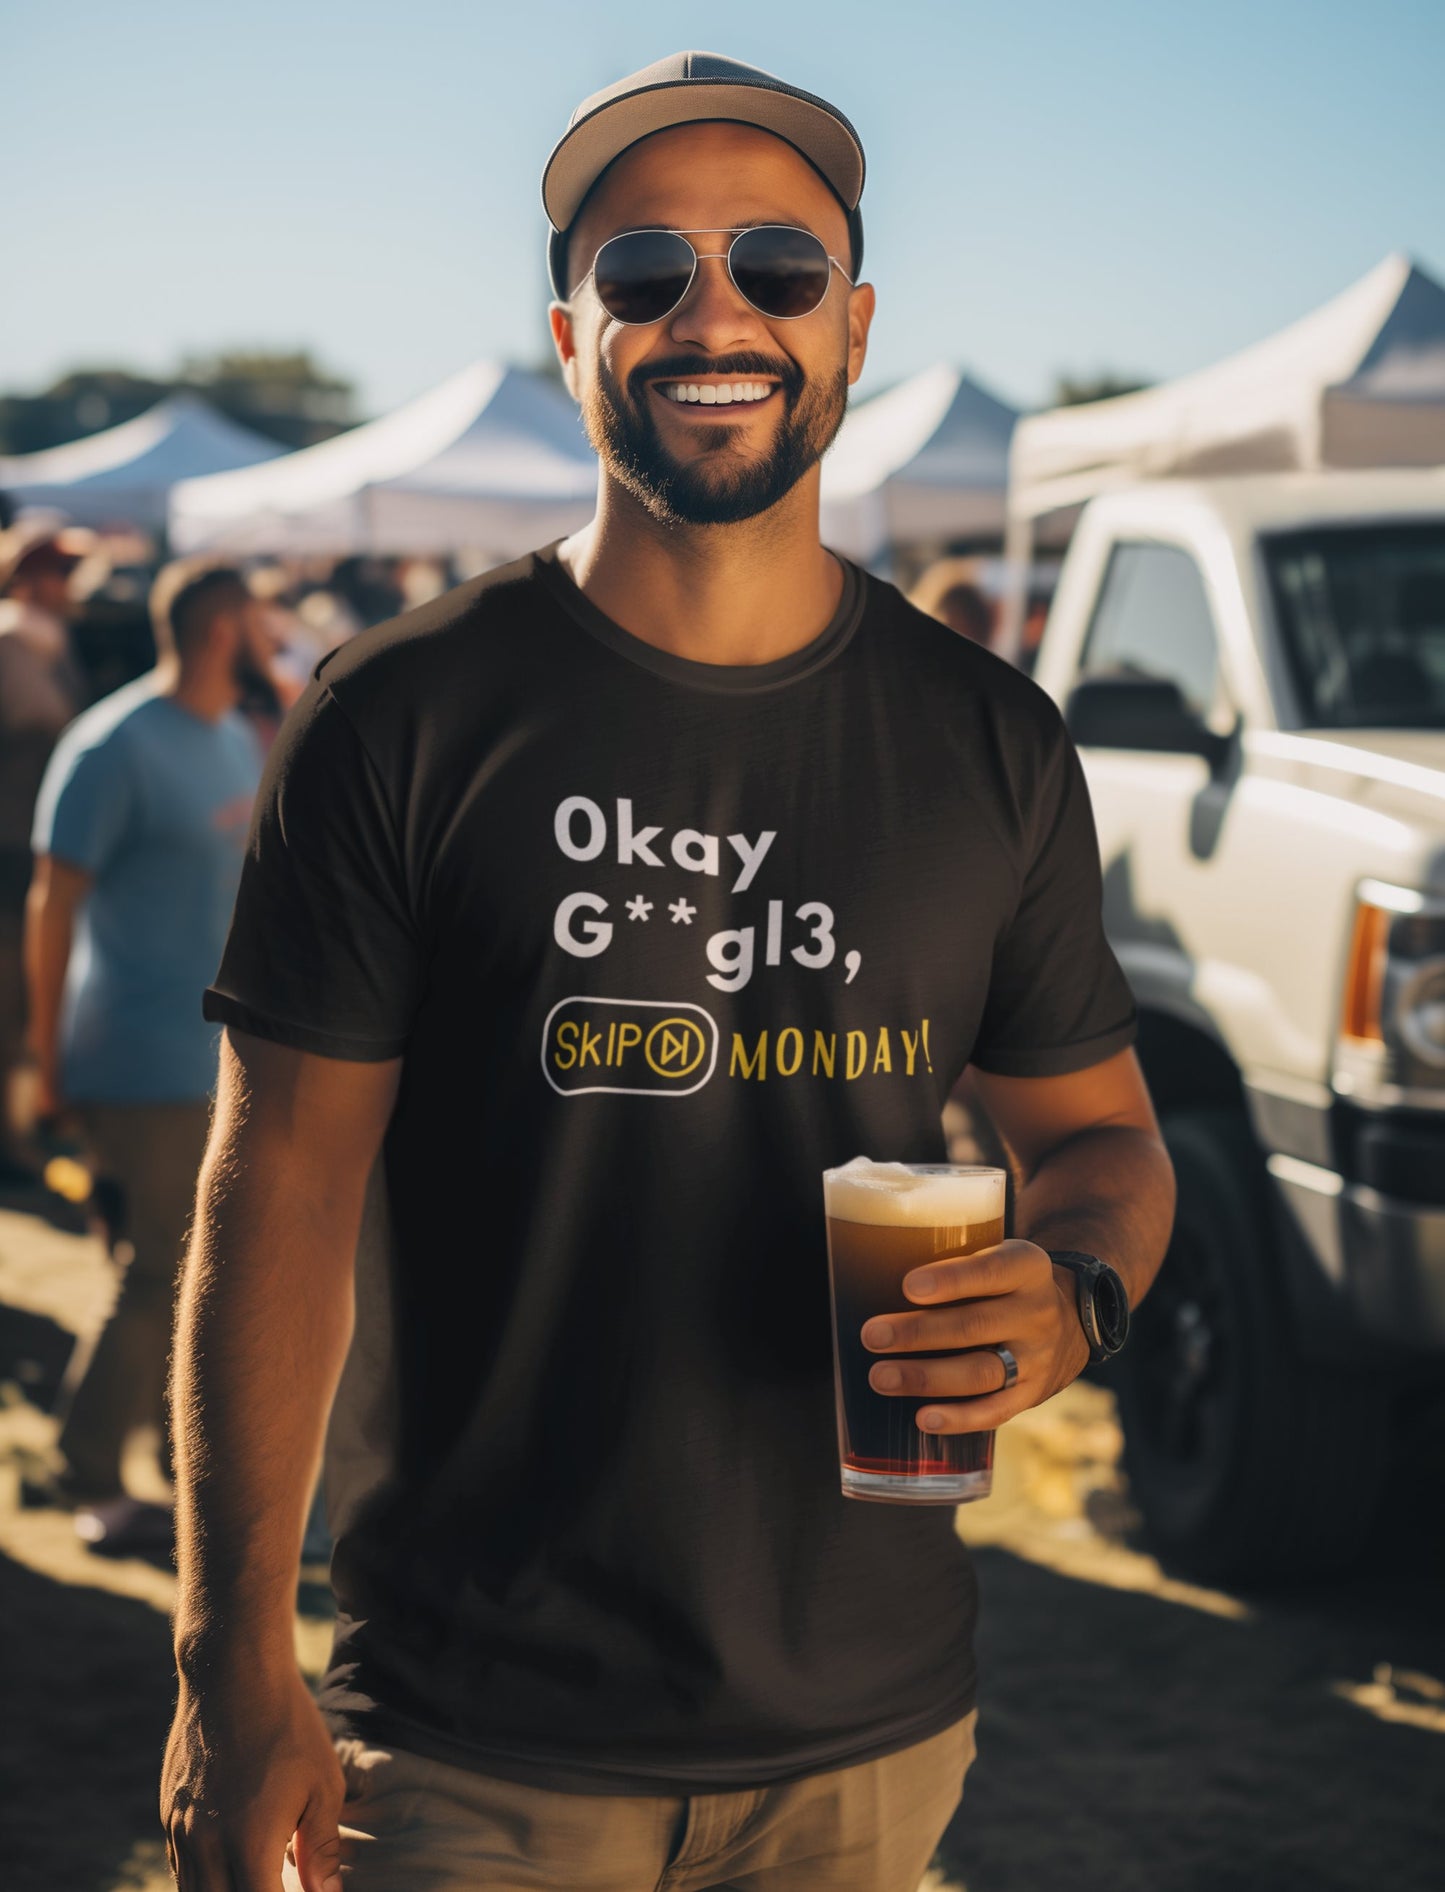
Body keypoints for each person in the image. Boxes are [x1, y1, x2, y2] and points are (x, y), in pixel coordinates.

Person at [162, 51, 1175, 1892]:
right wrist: (228, 1665)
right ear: (573, 334)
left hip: (876, 1742)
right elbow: (279, 1192)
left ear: (852, 326)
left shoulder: (991, 739)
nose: (718, 313)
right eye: (648, 273)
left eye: (779, 268)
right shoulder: (400, 716)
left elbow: (1103, 1133)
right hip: (472, 1737)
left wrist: (1077, 1288)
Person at [23, 562, 266, 1544]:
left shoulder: (228, 737)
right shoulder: (114, 743)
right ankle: (80, 1472)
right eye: (258, 618)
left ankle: (178, 1462)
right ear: (223, 629)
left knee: (205, 1269)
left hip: (220, 1053)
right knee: (159, 1270)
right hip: (135, 1052)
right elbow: (52, 901)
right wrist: (45, 1060)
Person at [0, 526, 88, 1180]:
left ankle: (22, 1131)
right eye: (59, 574)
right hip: (8, 852)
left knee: (26, 999)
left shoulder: (48, 646)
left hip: (31, 850)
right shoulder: (12, 645)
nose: (70, 588)